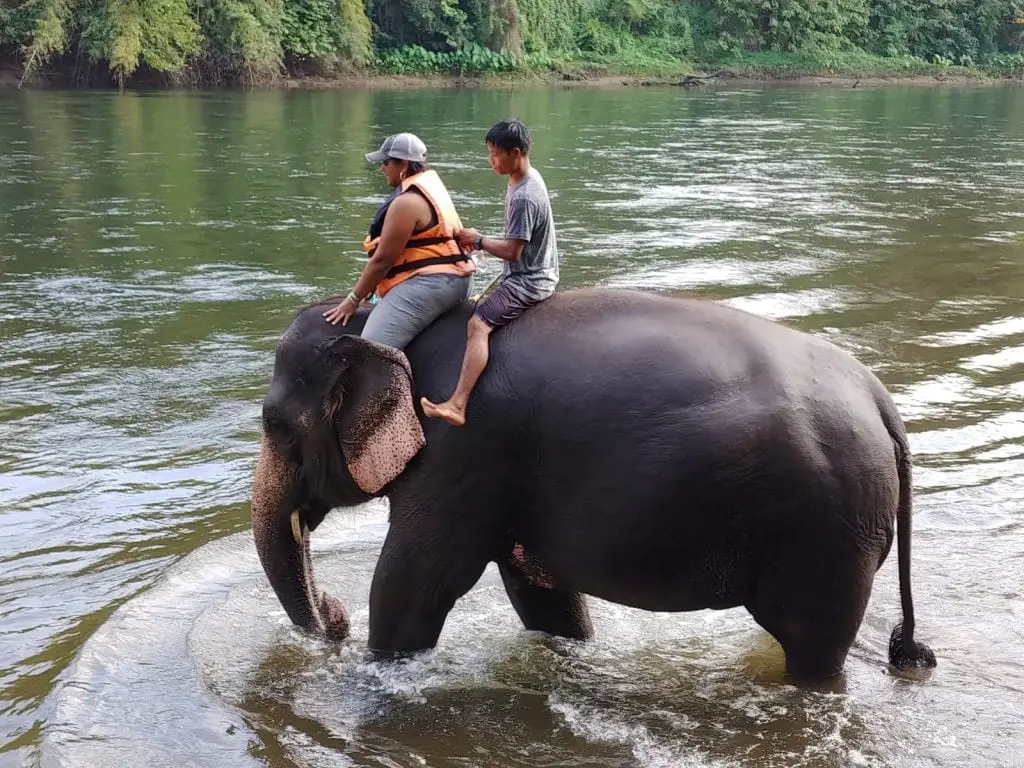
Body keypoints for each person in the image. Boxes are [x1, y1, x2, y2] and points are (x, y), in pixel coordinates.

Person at [421, 118, 558, 427]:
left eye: (496, 154)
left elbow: (513, 251)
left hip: (530, 279)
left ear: (517, 153)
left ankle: (458, 404)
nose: (491, 161)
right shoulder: (523, 179)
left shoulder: (524, 195)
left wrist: (477, 240)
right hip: (531, 268)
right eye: (490, 153)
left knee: (478, 325)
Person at [324, 132, 476, 349]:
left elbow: (383, 261)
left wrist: (353, 300)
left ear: (403, 164)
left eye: (386, 162)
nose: (381, 168)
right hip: (455, 280)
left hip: (434, 284)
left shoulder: (407, 203)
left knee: (370, 349)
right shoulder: (429, 188)